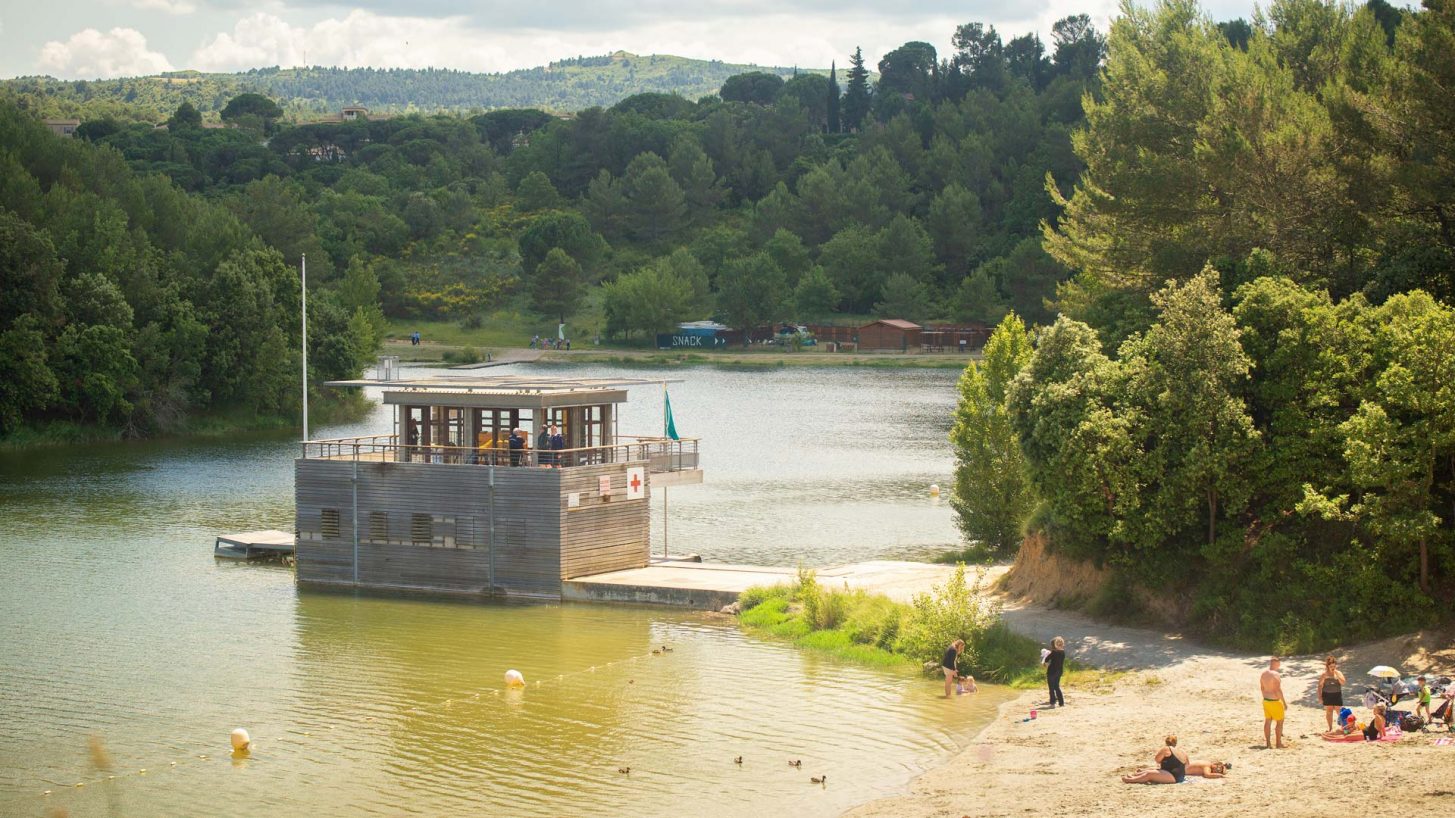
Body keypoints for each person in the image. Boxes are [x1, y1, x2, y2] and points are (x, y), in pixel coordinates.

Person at [1121, 735, 1188, 784]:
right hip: (1180, 776)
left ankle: (1131, 780)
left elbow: (1157, 760)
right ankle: (1134, 776)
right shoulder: (1182, 751)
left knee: (1149, 774)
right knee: (1151, 770)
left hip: (1173, 776)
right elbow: (1187, 765)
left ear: (1166, 742)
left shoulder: (1166, 749)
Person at [1260, 656, 1288, 749]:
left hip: (1266, 700)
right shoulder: (1275, 674)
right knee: (1279, 722)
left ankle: (1268, 744)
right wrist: (1284, 702)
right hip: (1274, 701)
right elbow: (1277, 690)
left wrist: (1265, 696)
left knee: (1268, 721)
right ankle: (1278, 743)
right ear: (1277, 664)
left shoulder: (1264, 674)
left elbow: (1262, 688)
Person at [1319, 655, 1346, 731]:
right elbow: (1320, 686)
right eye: (1331, 666)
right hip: (1327, 694)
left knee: (1339, 710)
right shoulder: (1324, 674)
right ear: (1327, 666)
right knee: (1329, 711)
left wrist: (1337, 675)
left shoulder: (1338, 673)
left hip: (1337, 694)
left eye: (1334, 666)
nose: (1333, 668)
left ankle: (1344, 727)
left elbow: (1343, 682)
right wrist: (1320, 697)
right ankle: (1330, 728)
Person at [1044, 636, 1066, 708]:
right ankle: (1061, 703)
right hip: (1059, 671)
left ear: (1054, 645)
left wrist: (1045, 660)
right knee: (1057, 687)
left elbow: (1046, 660)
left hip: (1051, 671)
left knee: (1051, 688)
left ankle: (1052, 703)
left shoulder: (1053, 652)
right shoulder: (1063, 653)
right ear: (1062, 644)